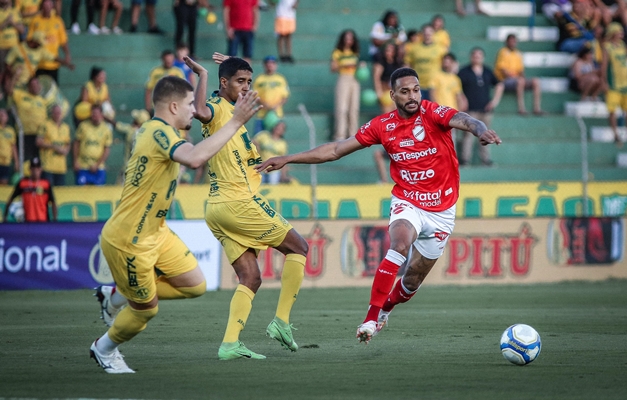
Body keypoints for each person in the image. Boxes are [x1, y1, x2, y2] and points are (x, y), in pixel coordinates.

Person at [255, 67, 502, 344]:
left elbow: (465, 119)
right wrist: (289, 158)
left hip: (443, 210)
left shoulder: (433, 113)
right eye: (405, 91)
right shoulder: (382, 126)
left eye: (416, 89)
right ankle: (370, 318)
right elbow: (335, 150)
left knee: (412, 281)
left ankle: (386, 309)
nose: (412, 96)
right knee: (399, 244)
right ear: (392, 94)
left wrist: (482, 130)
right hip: (408, 200)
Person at [89, 74, 262, 374]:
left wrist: (204, 76)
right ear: (172, 106)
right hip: (130, 239)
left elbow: (195, 150)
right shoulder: (159, 133)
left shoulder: (160, 131)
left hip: (156, 231)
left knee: (195, 285)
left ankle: (114, 296)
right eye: (188, 104)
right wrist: (234, 121)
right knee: (146, 310)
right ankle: (104, 348)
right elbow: (195, 159)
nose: (194, 111)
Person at [186, 55, 309, 360]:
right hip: (237, 201)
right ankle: (281, 321)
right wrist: (203, 73)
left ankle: (230, 343)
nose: (246, 88)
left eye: (249, 82)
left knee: (251, 278)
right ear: (223, 83)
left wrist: (234, 64)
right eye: (240, 81)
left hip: (217, 207)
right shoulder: (218, 108)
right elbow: (200, 111)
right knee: (299, 248)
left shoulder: (236, 114)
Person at [458, 47, 504, 166]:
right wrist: (462, 101)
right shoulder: (464, 72)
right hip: (470, 110)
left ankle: (485, 160)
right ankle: (465, 159)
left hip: (486, 109)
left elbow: (499, 84)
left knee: (486, 135)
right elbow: (456, 88)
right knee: (468, 136)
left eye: (479, 55)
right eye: (474, 55)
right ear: (471, 57)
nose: (476, 57)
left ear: (483, 57)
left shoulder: (488, 71)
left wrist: (494, 101)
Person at [494, 34, 543, 115]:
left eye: (514, 41)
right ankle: (521, 108)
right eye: (511, 41)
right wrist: (516, 77)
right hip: (505, 80)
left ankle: (537, 108)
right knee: (520, 81)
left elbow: (521, 70)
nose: (513, 43)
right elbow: (502, 69)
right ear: (507, 42)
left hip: (517, 79)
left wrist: (522, 77)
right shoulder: (503, 52)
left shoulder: (518, 53)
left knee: (536, 81)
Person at [27, 0, 73, 83]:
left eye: (49, 6)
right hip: (38, 63)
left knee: (53, 90)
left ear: (52, 7)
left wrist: (67, 54)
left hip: (53, 64)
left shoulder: (58, 21)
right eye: (45, 6)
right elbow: (29, 39)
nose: (47, 9)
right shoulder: (35, 21)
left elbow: (63, 40)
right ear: (41, 7)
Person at [3, 156, 57, 222]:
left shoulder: (46, 184)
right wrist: (5, 216)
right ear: (30, 169)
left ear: (41, 169)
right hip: (28, 222)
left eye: (37, 168)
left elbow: (53, 202)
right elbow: (11, 199)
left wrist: (55, 219)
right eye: (33, 168)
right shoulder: (23, 183)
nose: (35, 171)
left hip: (43, 221)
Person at [404, 24, 447, 101]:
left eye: (430, 32)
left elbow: (447, 64)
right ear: (422, 34)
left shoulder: (441, 49)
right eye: (425, 32)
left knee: (433, 109)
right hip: (418, 84)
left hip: (434, 85)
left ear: (433, 33)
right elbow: (407, 64)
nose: (427, 34)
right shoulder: (414, 48)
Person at [331, 29, 360, 141]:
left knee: (354, 108)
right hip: (343, 78)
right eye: (347, 38)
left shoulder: (355, 53)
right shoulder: (337, 52)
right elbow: (333, 68)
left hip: (354, 79)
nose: (349, 41)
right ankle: (340, 134)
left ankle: (353, 134)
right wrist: (344, 66)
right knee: (342, 108)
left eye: (351, 39)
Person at [73, 105, 112, 185]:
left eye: (97, 114)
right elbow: (76, 144)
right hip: (83, 165)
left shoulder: (106, 129)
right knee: (81, 193)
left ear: (101, 114)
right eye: (93, 114)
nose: (95, 116)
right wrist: (76, 160)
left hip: (98, 167)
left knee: (99, 194)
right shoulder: (83, 126)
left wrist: (97, 165)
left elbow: (107, 149)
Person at [601, 22, 627, 146]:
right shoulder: (607, 47)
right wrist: (604, 81)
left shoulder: (622, 45)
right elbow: (604, 66)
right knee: (612, 111)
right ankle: (615, 134)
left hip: (625, 83)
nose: (622, 34)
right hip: (613, 84)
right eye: (619, 32)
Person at [11, 76, 47, 162]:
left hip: (39, 137)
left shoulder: (42, 101)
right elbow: (9, 90)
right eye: (33, 85)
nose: (35, 87)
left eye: (36, 84)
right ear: (28, 87)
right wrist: (15, 76)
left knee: (37, 163)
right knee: (25, 161)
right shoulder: (21, 95)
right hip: (24, 135)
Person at [252, 55, 290, 133]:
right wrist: (264, 104)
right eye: (267, 63)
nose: (270, 65)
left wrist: (276, 105)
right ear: (264, 65)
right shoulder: (259, 79)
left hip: (277, 115)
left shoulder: (281, 79)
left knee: (276, 139)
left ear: (276, 65)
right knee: (257, 138)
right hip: (262, 114)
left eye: (272, 63)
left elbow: (285, 96)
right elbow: (254, 95)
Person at [36, 104, 70, 186]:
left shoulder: (65, 127)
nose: (57, 115)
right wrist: (54, 147)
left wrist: (66, 150)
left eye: (59, 113)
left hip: (61, 167)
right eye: (55, 113)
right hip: (48, 166)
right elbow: (38, 142)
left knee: (60, 193)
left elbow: (68, 143)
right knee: (47, 190)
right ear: (52, 113)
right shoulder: (45, 125)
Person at [0, 0, 25, 100]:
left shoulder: (15, 12)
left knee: (12, 71)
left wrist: (12, 23)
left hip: (14, 47)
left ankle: (10, 93)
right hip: (1, 47)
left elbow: (22, 29)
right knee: (1, 71)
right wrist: (6, 22)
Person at [253, 119, 290, 184]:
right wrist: (257, 149)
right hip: (261, 166)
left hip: (274, 170)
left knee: (272, 188)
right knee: (259, 186)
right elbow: (253, 141)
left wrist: (283, 175)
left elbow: (283, 159)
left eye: (281, 128)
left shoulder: (282, 143)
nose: (278, 129)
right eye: (277, 127)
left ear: (283, 131)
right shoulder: (264, 135)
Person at [223, 0, 259, 64]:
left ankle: (246, 73)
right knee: (232, 55)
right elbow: (226, 10)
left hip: (248, 29)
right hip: (234, 29)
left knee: (247, 55)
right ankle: (231, 73)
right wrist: (227, 28)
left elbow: (255, 10)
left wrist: (255, 26)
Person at [373, 42, 403, 114]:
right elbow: (376, 77)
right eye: (387, 50)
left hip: (395, 91)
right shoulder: (381, 62)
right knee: (387, 113)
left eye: (391, 51)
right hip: (385, 90)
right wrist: (378, 91)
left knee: (397, 113)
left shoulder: (397, 63)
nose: (388, 53)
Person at [0, 108, 18, 184]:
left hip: (6, 162)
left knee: (4, 183)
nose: (1, 117)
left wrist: (16, 161)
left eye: (2, 115)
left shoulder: (10, 131)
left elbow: (13, 147)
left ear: (7, 117)